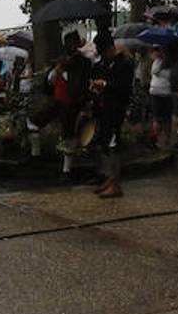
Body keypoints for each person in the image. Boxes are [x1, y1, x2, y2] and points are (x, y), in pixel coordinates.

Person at [89, 31, 134, 198]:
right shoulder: (106, 63)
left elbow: (123, 87)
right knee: (106, 144)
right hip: (104, 107)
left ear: (110, 48)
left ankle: (115, 183)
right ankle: (109, 178)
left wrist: (105, 84)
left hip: (116, 108)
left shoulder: (124, 63)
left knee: (114, 145)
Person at [52, 31, 92, 177]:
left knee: (73, 134)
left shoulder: (84, 62)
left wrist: (86, 101)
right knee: (67, 133)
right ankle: (66, 168)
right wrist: (58, 69)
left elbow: (86, 83)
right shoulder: (62, 62)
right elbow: (50, 81)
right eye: (69, 43)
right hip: (62, 101)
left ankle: (68, 170)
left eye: (74, 43)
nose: (72, 46)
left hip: (75, 101)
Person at [147, 46, 174, 149]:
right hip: (167, 92)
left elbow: (152, 73)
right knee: (167, 118)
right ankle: (167, 140)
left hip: (155, 91)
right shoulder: (170, 63)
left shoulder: (156, 62)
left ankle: (155, 140)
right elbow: (172, 77)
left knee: (156, 118)